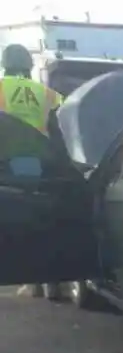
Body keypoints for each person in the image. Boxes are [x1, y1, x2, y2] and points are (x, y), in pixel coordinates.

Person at [3, 44, 69, 299]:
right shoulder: (46, 93)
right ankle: (49, 282)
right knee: (43, 222)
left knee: (15, 225)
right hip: (42, 164)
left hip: (8, 165)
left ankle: (29, 280)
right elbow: (63, 120)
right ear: (28, 66)